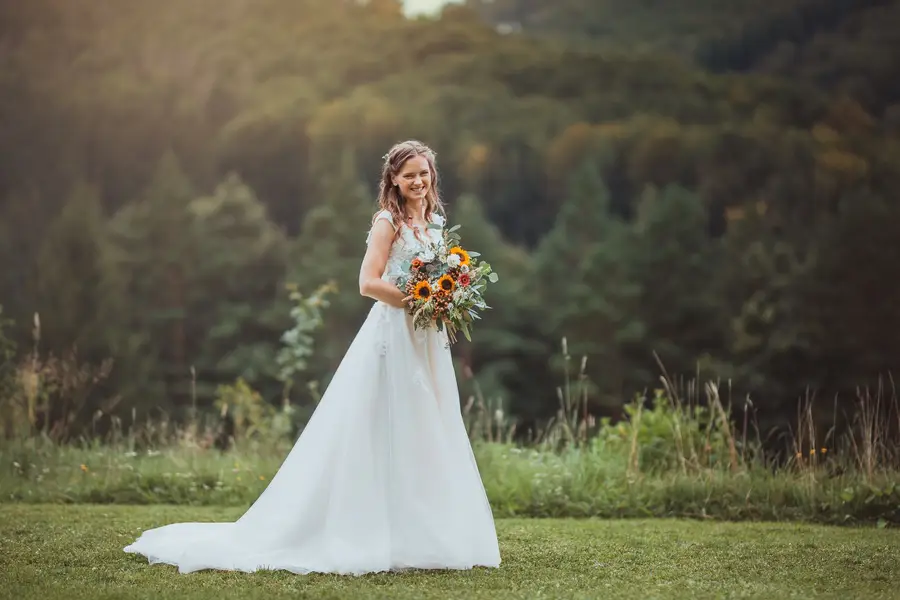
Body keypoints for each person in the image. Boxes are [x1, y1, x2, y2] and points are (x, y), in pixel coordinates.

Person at [124, 140, 502, 575]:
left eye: (424, 173)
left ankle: (425, 532)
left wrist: (445, 296)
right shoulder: (388, 222)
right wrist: (418, 301)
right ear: (393, 180)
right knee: (386, 421)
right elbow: (367, 282)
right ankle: (367, 529)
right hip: (395, 334)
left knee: (426, 423)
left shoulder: (435, 223)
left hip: (427, 338)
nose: (418, 181)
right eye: (409, 174)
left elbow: (440, 273)